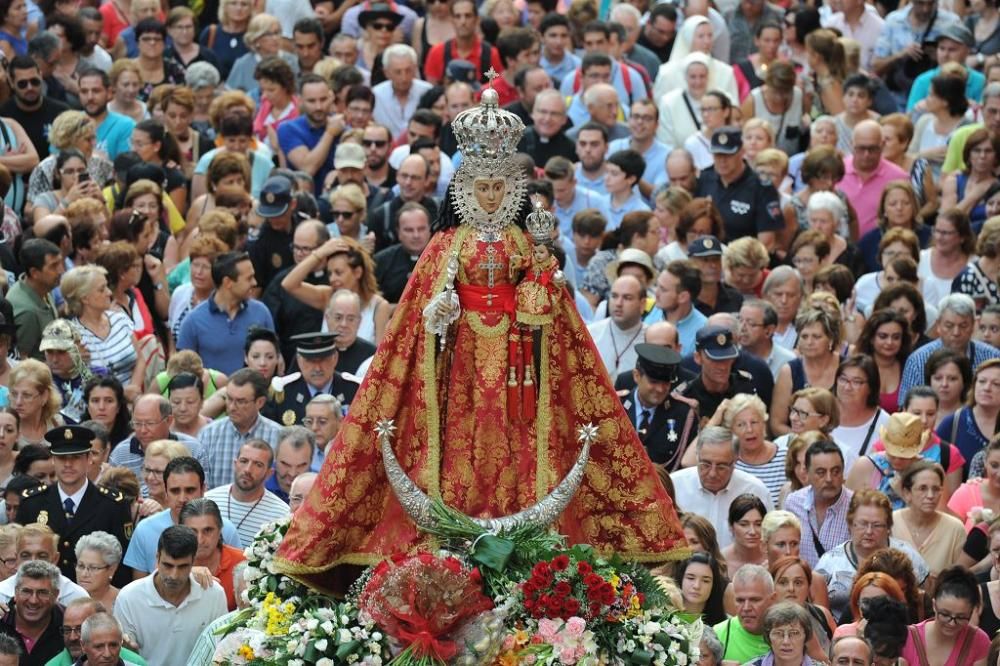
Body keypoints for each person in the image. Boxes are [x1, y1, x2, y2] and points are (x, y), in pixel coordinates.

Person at [14, 425, 132, 586]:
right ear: (53, 460)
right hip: (42, 594)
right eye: (62, 458)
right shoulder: (32, 502)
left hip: (93, 597)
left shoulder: (112, 505)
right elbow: (20, 553)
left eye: (75, 457)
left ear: (89, 458)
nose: (68, 464)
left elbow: (122, 563)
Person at [114, 525, 227, 666]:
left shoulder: (213, 594)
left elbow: (222, 648)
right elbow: (125, 655)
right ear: (157, 558)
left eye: (182, 566)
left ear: (194, 561)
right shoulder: (129, 598)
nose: (174, 575)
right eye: (168, 565)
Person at [815, 489, 930, 622]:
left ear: (888, 527)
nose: (869, 531)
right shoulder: (829, 562)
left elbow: (922, 599)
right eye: (863, 524)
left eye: (877, 525)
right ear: (850, 524)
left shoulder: (909, 556)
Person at [122, 457, 243, 577]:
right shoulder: (145, 530)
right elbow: (140, 589)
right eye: (175, 491)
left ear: (203, 490)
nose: (182, 499)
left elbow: (238, 573)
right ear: (166, 491)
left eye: (190, 490)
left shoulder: (225, 529)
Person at [671, 426, 773, 548]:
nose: (712, 473)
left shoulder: (755, 491)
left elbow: (770, 537)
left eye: (721, 466)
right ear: (697, 456)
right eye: (706, 464)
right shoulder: (675, 486)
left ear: (735, 461)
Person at [177, 252, 274, 375]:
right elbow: (183, 372)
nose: (254, 283)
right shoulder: (193, 321)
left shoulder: (261, 313)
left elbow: (275, 357)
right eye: (249, 278)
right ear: (228, 282)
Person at [695, 126, 783, 253]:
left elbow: (767, 242)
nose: (722, 161)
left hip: (743, 260)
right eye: (717, 155)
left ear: (741, 152)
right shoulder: (705, 178)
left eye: (728, 155)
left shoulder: (761, 187)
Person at [197, 369, 281, 490]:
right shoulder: (208, 434)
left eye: (241, 402)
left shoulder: (278, 436)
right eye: (229, 399)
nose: (232, 407)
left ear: (260, 402)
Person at [621, 343, 697, 469]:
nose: (660, 389)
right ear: (637, 376)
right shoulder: (616, 407)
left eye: (666, 382)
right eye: (653, 382)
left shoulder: (683, 414)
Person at [202, 441, 290, 547]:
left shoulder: (282, 515)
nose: (248, 470)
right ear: (235, 464)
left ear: (269, 473)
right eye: (244, 461)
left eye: (258, 465)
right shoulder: (207, 500)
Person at [900, 566, 990, 666]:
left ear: (972, 612)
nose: (952, 623)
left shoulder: (978, 641)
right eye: (945, 614)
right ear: (934, 605)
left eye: (960, 617)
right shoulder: (907, 639)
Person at [784, 440, 853, 568]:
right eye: (821, 472)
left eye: (835, 471)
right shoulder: (793, 503)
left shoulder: (855, 506)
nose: (829, 479)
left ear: (843, 472)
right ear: (807, 474)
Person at [177, 499, 245, 611]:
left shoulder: (242, 562)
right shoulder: (171, 562)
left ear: (220, 531)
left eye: (207, 530)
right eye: (192, 531)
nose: (200, 540)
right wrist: (186, 573)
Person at [0, 561, 65, 664]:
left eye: (43, 592)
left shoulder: (70, 625)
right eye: (26, 591)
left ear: (56, 595)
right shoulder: (1, 620)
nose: (33, 600)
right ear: (16, 592)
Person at [8, 240, 61, 361]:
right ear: (34, 273)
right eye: (53, 266)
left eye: (60, 263)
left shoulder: (42, 287)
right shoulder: (27, 313)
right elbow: (20, 359)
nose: (60, 270)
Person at [712, 564, 775, 664]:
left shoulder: (788, 635)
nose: (746, 608)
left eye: (754, 600)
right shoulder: (718, 635)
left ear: (772, 599)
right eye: (740, 600)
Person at [673, 551, 728, 625]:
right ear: (681, 579)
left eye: (705, 581)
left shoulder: (723, 625)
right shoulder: (662, 617)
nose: (697, 586)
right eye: (690, 578)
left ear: (714, 585)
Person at [72, 533, 123, 612]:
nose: (84, 574)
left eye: (93, 568)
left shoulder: (124, 602)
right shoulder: (65, 599)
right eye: (81, 566)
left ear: (111, 570)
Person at [721, 493, 769, 575]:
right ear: (731, 526)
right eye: (744, 524)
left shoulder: (772, 557)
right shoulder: (721, 561)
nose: (752, 532)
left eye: (758, 524)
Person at [265, 426, 315, 503]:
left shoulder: (321, 489)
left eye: (301, 466)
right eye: (285, 464)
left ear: (311, 460)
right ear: (275, 456)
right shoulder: (258, 484)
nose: (292, 473)